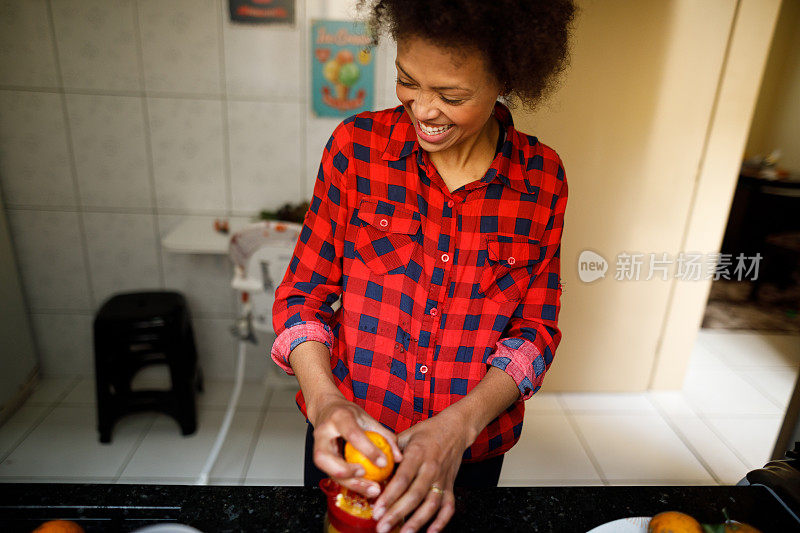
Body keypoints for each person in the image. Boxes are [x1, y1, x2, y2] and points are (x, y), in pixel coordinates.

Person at [271, 1, 576, 531]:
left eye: (451, 96)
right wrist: (325, 404)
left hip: (467, 457)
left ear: (506, 78)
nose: (423, 110)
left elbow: (535, 332)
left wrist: (457, 429)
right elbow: (303, 295)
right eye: (406, 81)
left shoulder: (542, 178)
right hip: (353, 443)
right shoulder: (356, 149)